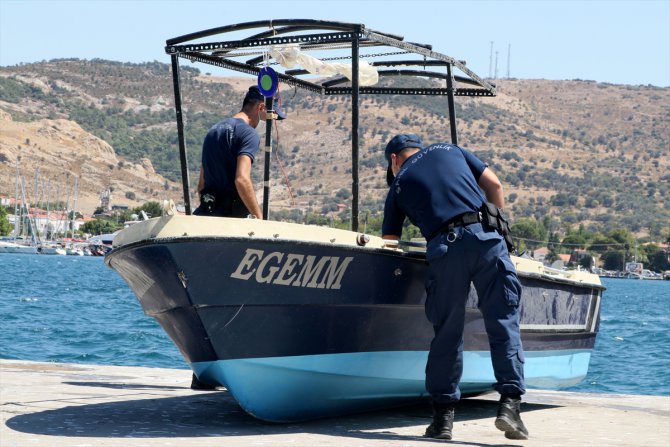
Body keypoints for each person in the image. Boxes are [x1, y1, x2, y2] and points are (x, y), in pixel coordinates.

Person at [381, 134, 528, 441]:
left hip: (444, 249)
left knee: (447, 333)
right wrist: (499, 231)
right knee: (503, 322)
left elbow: (389, 242)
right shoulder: (451, 149)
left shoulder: (398, 185)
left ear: (394, 160)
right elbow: (495, 185)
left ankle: (443, 420)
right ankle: (510, 406)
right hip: (487, 239)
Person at [193, 85, 285, 219]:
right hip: (230, 220)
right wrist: (259, 217)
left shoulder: (214, 130)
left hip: (205, 216)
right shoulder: (249, 134)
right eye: (269, 116)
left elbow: (201, 185)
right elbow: (242, 179)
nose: (269, 121)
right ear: (261, 107)